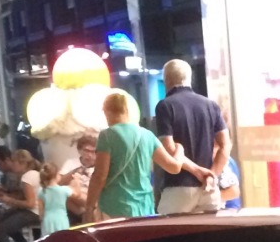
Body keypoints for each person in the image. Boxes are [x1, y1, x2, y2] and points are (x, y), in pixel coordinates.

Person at [84, 92, 197, 221]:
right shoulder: (147, 135)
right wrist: (179, 150)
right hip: (145, 207)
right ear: (126, 111)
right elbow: (174, 167)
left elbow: (100, 176)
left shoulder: (107, 136)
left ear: (107, 112)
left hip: (115, 206)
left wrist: (89, 207)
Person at [154, 59, 229, 214]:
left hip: (178, 189)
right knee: (209, 237)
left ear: (166, 79)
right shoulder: (211, 105)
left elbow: (169, 148)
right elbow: (225, 145)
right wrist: (211, 175)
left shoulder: (165, 106)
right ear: (189, 79)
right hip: (209, 189)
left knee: (171, 236)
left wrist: (196, 171)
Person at [0, 149, 42, 242]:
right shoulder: (34, 174)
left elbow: (30, 203)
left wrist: (8, 200)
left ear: (21, 162)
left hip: (33, 212)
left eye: (14, 161)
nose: (12, 165)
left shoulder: (26, 177)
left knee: (1, 229)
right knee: (7, 223)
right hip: (37, 210)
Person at [64, 133, 98, 223]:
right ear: (80, 150)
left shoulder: (101, 166)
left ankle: (86, 213)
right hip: (75, 200)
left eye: (93, 152)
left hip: (93, 199)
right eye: (86, 150)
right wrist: (75, 172)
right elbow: (58, 183)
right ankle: (85, 213)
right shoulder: (71, 163)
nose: (89, 155)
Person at [38, 163, 71, 235]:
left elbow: (41, 213)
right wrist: (76, 180)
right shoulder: (64, 190)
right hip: (61, 220)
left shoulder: (41, 191)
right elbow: (77, 194)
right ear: (56, 176)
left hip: (47, 221)